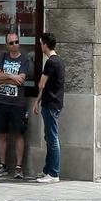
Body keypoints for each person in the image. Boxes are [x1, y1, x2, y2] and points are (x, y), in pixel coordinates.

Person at [0, 34, 31, 179]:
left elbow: (21, 80)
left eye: (16, 42)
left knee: (19, 134)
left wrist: (5, 77)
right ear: (7, 44)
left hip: (17, 102)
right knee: (2, 134)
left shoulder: (24, 58)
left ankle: (18, 167)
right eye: (11, 43)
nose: (14, 45)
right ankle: (2, 165)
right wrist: (13, 77)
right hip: (2, 101)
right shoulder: (2, 56)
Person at [28, 32, 65, 182]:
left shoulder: (51, 62)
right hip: (53, 103)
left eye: (41, 43)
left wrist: (37, 100)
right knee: (49, 137)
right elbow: (47, 86)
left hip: (51, 104)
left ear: (45, 44)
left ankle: (53, 173)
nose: (40, 46)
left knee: (52, 138)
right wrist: (37, 101)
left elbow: (42, 84)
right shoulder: (59, 61)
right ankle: (47, 170)